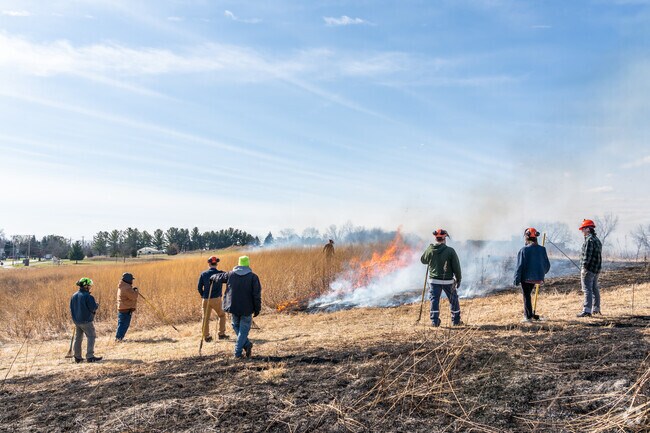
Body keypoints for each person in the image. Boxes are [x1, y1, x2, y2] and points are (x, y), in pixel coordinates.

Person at [210, 256, 262, 359]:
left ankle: (240, 350)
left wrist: (212, 277)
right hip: (247, 308)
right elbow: (257, 295)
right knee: (242, 330)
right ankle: (243, 348)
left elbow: (218, 277)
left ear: (238, 264)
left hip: (233, 307)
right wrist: (257, 309)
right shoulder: (253, 277)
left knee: (236, 325)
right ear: (248, 264)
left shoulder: (230, 275)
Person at [420, 229, 463, 327]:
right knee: (453, 299)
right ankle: (456, 321)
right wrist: (459, 279)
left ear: (436, 238)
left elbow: (423, 260)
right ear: (444, 238)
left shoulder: (430, 249)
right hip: (448, 281)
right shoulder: (450, 251)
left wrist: (429, 250)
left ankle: (434, 321)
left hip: (433, 281)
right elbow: (456, 266)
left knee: (434, 300)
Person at [514, 228, 551, 322]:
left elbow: (519, 266)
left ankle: (528, 317)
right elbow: (547, 265)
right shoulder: (542, 249)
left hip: (526, 278)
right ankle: (530, 314)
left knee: (526, 295)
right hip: (537, 278)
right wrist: (542, 273)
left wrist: (516, 279)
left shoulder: (523, 250)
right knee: (528, 294)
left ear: (527, 237)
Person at [69, 277, 102, 363]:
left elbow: (71, 308)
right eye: (89, 285)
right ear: (86, 286)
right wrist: (97, 305)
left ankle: (77, 357)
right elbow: (93, 308)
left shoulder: (74, 295)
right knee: (91, 336)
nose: (90, 287)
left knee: (78, 338)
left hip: (77, 321)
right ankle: (90, 356)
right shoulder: (88, 296)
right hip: (86, 321)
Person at [198, 256, 228, 342]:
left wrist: (203, 295)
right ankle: (221, 334)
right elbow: (228, 280)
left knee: (205, 318)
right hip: (216, 299)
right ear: (217, 263)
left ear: (209, 263)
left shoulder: (203, 274)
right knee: (222, 315)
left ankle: (206, 337)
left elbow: (199, 287)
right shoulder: (221, 273)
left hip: (205, 299)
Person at [577, 219, 602, 317]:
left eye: (583, 229)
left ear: (588, 229)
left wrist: (583, 267)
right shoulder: (597, 240)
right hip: (597, 269)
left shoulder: (589, 240)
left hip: (589, 269)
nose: (582, 231)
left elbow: (587, 256)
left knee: (587, 289)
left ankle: (587, 311)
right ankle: (596, 309)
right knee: (595, 288)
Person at [115, 272, 138, 341]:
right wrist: (136, 291)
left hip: (123, 308)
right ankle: (119, 338)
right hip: (126, 309)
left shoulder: (122, 286)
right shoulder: (126, 288)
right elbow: (134, 297)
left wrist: (132, 290)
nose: (132, 281)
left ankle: (119, 338)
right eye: (131, 279)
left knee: (121, 324)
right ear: (128, 280)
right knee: (124, 325)